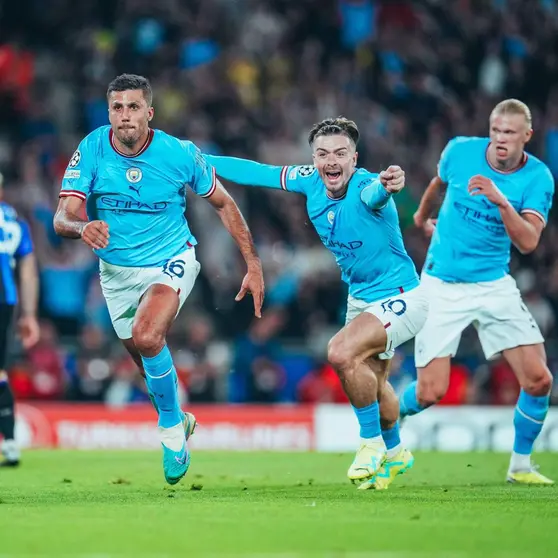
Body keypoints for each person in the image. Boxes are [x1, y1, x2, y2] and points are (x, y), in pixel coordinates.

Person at [53, 74, 264, 485]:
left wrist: (252, 263)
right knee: (148, 365)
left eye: (133, 107)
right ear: (109, 112)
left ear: (150, 112)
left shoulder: (179, 153)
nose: (125, 116)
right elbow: (63, 216)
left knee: (148, 336)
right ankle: (177, 418)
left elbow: (223, 202)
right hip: (116, 274)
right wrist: (82, 228)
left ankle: (169, 434)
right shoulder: (93, 148)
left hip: (172, 258)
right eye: (117, 107)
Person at [206, 117, 429, 489]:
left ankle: (369, 443)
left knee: (340, 352)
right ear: (313, 159)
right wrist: (194, 160)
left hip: (402, 296)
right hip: (361, 298)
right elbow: (256, 173)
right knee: (375, 383)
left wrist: (389, 184)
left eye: (340, 154)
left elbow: (377, 192)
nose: (331, 161)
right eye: (323, 154)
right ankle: (395, 452)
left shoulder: (365, 188)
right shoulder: (308, 179)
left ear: (354, 159)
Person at [401, 99, 555, 484]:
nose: (500, 140)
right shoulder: (460, 151)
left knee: (539, 380)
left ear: (526, 137)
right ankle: (394, 412)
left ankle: (520, 466)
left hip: (492, 284)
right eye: (496, 131)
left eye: (509, 134)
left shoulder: (538, 178)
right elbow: (439, 184)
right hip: (441, 282)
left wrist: (501, 201)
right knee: (429, 392)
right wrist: (421, 218)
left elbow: (529, 242)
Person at [0, 172, 40, 467]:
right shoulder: (15, 223)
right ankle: (11, 443)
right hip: (6, 300)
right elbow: (27, 272)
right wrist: (29, 315)